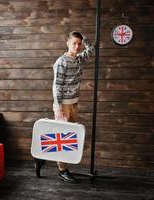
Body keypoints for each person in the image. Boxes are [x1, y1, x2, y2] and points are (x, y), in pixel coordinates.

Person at [34, 31, 94, 182]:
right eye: (74, 43)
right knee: (63, 137)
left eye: (79, 43)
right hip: (63, 105)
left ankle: (40, 157)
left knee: (67, 136)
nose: (77, 46)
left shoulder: (80, 59)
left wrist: (83, 37)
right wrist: (58, 106)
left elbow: (91, 49)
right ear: (67, 43)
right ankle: (62, 170)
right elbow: (56, 85)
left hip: (74, 103)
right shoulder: (62, 61)